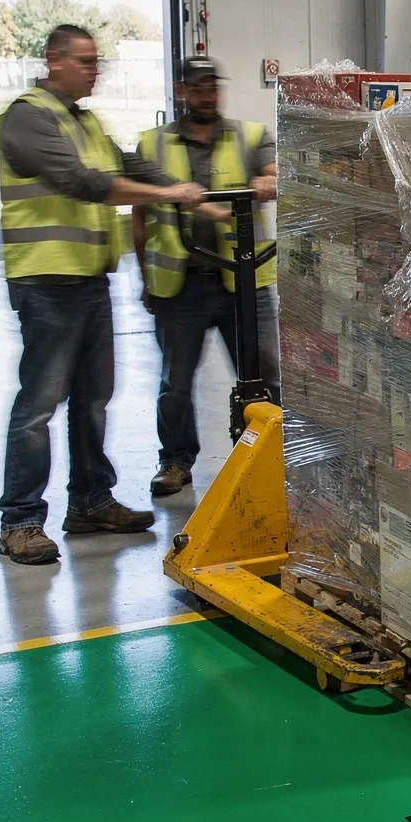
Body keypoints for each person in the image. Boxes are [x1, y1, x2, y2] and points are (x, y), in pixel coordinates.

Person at [0, 24, 208, 566]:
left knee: (92, 399)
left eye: (97, 61)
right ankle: (20, 521)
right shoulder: (28, 117)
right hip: (45, 280)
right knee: (39, 406)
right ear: (54, 60)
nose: (96, 70)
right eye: (86, 61)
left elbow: (126, 164)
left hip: (88, 279)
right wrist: (168, 193)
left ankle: (90, 502)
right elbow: (83, 182)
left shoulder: (83, 120)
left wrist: (189, 196)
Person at [131, 56, 281, 497]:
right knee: (175, 382)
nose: (207, 95)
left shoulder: (250, 135)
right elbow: (139, 216)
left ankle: (265, 453)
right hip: (181, 282)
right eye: (197, 88)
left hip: (244, 281)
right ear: (182, 91)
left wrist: (269, 181)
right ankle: (175, 460)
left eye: (212, 87)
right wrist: (144, 279)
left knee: (264, 373)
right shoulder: (152, 144)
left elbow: (274, 170)